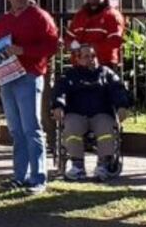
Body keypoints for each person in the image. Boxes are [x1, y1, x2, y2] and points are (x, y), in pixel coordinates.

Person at [0, 0, 59, 193]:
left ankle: (38, 178)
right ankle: (19, 176)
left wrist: (24, 50)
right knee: (16, 131)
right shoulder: (4, 20)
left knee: (31, 128)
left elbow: (53, 44)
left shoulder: (39, 16)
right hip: (7, 78)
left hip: (29, 76)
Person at [53, 43, 129, 182]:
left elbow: (118, 90)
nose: (91, 59)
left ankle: (103, 166)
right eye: (86, 56)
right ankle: (78, 167)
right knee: (71, 128)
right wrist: (58, 106)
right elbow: (60, 91)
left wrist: (122, 106)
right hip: (76, 113)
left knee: (106, 128)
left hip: (101, 113)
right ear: (78, 59)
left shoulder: (106, 73)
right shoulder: (70, 75)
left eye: (93, 56)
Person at [64, 0, 124, 69]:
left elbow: (115, 41)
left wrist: (90, 49)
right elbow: (69, 38)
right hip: (80, 66)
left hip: (104, 65)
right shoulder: (79, 15)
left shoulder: (112, 15)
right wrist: (73, 47)